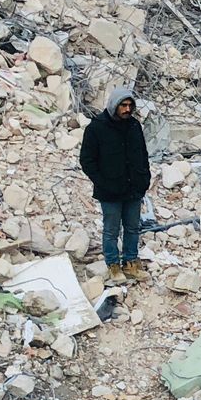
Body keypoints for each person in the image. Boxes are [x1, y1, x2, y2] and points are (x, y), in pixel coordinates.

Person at [78, 88, 151, 284]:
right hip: (109, 191)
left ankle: (131, 262)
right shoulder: (96, 128)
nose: (127, 110)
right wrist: (102, 182)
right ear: (114, 106)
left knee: (132, 228)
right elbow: (87, 160)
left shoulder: (134, 126)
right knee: (111, 229)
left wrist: (144, 178)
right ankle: (113, 264)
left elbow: (143, 155)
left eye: (130, 106)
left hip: (134, 188)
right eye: (123, 106)